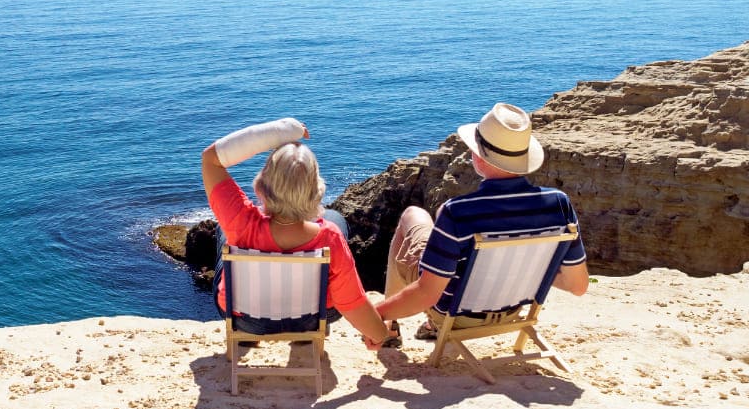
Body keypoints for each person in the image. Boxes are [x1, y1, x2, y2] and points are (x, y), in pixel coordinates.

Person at [367, 103, 589, 349]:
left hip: (455, 315)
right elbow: (577, 286)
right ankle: (423, 326)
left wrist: (375, 315)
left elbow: (426, 294)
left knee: (413, 215)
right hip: (512, 311)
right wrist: (532, 268)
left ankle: (388, 329)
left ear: (478, 156)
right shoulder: (559, 203)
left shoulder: (458, 211)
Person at [202, 117, 388, 343]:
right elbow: (352, 303)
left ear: (261, 186)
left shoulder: (240, 222)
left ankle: (247, 338)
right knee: (335, 218)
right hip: (310, 319)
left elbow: (211, 158)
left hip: (244, 319)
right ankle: (304, 337)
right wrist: (379, 334)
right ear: (316, 191)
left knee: (225, 231)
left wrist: (282, 131)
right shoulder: (330, 237)